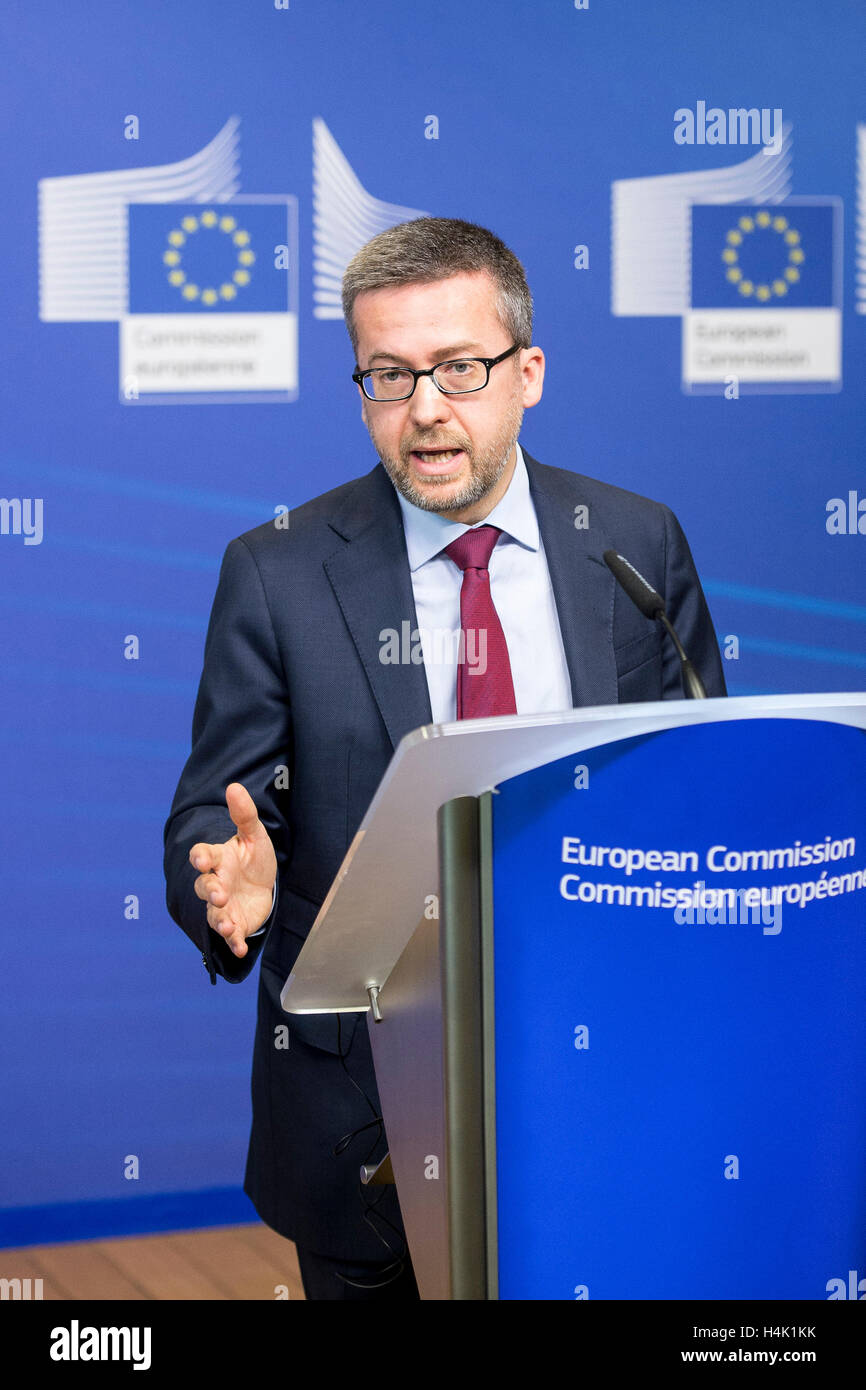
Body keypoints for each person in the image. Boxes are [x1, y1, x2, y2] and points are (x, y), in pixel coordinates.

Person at [163, 217, 726, 1300]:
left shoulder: (631, 544)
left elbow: (689, 788)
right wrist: (229, 891)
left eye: (458, 369)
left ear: (527, 373)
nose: (424, 407)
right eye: (387, 375)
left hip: (604, 1076)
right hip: (364, 1110)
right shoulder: (278, 573)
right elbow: (212, 818)